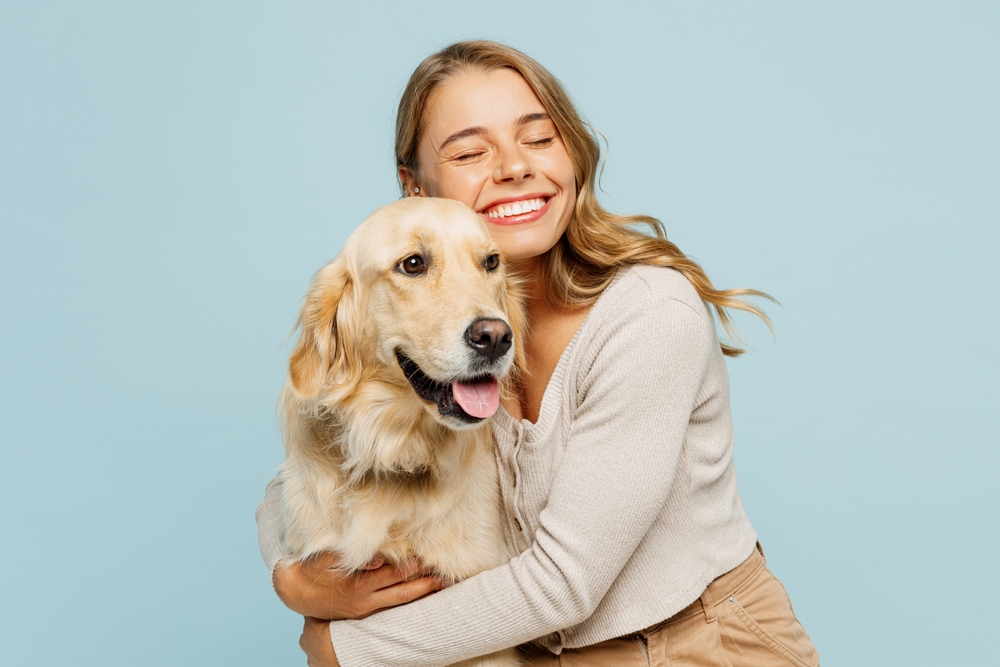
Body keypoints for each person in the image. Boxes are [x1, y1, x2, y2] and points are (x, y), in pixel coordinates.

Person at [256, 40, 819, 667]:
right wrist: (292, 575)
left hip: (701, 646)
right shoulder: (447, 332)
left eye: (540, 139)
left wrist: (343, 646)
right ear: (414, 188)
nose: (515, 167)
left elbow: (563, 583)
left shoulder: (651, 317)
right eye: (470, 152)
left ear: (572, 157)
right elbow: (309, 466)